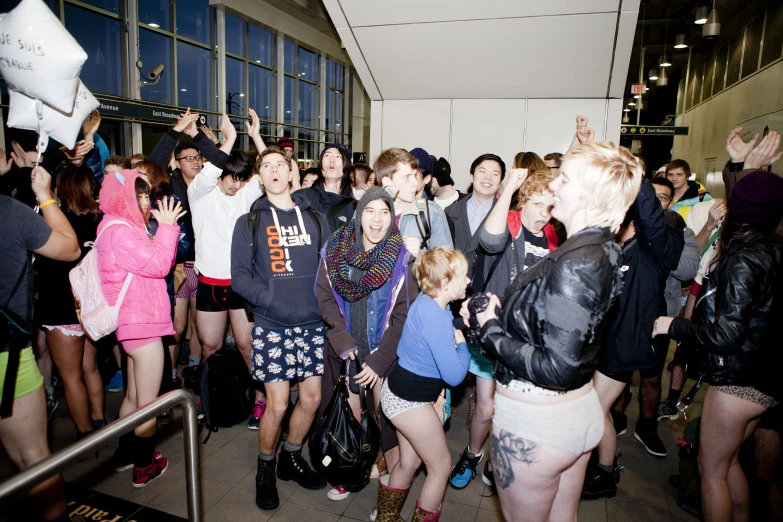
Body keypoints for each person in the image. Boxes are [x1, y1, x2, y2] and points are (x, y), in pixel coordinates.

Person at [471, 141, 640, 521]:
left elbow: (557, 367)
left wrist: (490, 328)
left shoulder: (578, 262)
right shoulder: (600, 245)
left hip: (538, 425)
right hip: (571, 413)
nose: (555, 185)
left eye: (565, 178)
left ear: (589, 195)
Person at [652, 170, 783, 522]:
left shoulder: (744, 257)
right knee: (727, 465)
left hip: (738, 382)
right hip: (768, 380)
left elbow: (727, 335)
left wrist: (674, 324)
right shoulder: (775, 247)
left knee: (710, 471)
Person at [446, 162, 557, 491]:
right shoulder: (509, 221)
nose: (543, 213)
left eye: (550, 206)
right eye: (537, 204)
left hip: (529, 340)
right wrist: (508, 188)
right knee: (486, 407)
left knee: (515, 410)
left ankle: (499, 460)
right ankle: (472, 453)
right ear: (524, 201)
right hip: (492, 336)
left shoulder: (553, 234)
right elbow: (490, 242)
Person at [231, 146, 329, 510]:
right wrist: (268, 298)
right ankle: (266, 467)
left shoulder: (317, 219)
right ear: (260, 177)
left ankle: (290, 456)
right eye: (266, 166)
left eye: (280, 165)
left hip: (312, 323)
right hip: (272, 324)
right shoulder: (249, 222)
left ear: (292, 173)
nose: (273, 170)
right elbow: (239, 276)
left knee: (312, 399)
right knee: (276, 405)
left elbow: (330, 270)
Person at [315, 187, 418, 507]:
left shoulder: (401, 256)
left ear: (392, 216)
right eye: (370, 211)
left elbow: (403, 316)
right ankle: (348, 473)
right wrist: (343, 343)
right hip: (347, 354)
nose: (377, 219)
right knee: (350, 417)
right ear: (359, 214)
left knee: (387, 421)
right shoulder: (334, 248)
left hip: (383, 355)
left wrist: (380, 360)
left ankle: (388, 497)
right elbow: (325, 297)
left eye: (384, 212)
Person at [0, 165, 80, 522]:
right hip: (5, 358)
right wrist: (45, 194)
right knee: (32, 456)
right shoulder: (9, 212)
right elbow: (69, 247)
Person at [376, 247, 471, 522]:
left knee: (410, 461)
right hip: (410, 402)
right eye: (463, 276)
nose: (468, 281)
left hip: (397, 393)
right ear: (444, 284)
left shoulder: (425, 302)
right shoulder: (437, 318)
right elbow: (454, 376)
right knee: (441, 467)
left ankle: (387, 518)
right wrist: (462, 344)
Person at [188, 120, 267, 429]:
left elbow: (271, 170)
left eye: (240, 179)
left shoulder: (246, 194)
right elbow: (209, 171)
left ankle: (259, 400)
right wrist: (230, 139)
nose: (235, 184)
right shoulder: (200, 195)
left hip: (240, 284)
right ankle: (211, 397)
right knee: (210, 347)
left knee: (248, 346)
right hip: (209, 282)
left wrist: (256, 137)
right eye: (230, 178)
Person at [34, 166, 106, 439]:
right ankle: (99, 421)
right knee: (90, 367)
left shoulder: (52, 222)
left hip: (61, 308)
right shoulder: (100, 219)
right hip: (92, 308)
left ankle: (85, 435)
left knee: (71, 377)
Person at [375, 148, 453, 257]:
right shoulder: (365, 212)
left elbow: (446, 266)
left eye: (414, 176)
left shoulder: (432, 213)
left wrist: (419, 256)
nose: (415, 183)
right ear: (387, 182)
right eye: (407, 177)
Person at [295, 144, 357, 230]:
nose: (332, 160)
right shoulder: (302, 197)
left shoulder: (353, 207)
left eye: (338, 156)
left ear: (346, 166)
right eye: (327, 155)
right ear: (321, 165)